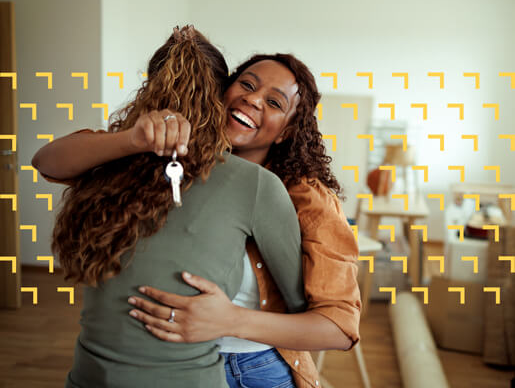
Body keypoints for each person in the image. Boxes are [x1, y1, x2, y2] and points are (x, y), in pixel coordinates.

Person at [34, 51, 362, 387]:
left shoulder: (306, 198)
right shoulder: (162, 163)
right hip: (164, 368)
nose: (253, 99)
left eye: (275, 102)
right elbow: (47, 162)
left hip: (250, 369)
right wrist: (130, 140)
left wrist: (231, 321)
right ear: (221, 90)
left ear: (286, 131)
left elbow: (339, 327)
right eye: (247, 84)